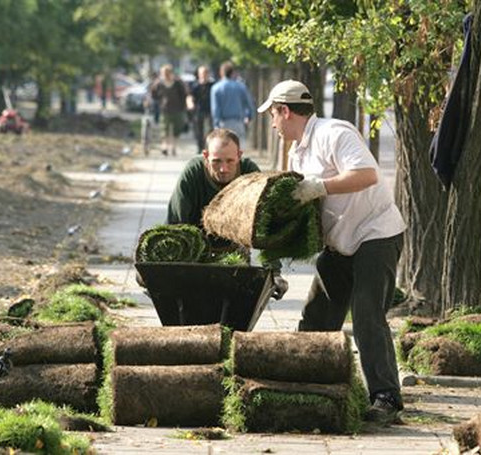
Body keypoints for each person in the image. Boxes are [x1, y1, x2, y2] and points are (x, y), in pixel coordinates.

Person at [257, 80, 406, 423]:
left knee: (367, 313)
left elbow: (367, 174)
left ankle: (387, 399)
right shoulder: (297, 152)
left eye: (273, 116)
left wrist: (319, 186)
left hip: (375, 233)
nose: (273, 124)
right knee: (317, 318)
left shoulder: (335, 133)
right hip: (340, 244)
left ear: (285, 110)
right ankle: (309, 383)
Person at [166, 128, 288, 300]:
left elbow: (265, 224)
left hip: (234, 251)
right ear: (205, 156)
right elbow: (177, 224)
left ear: (239, 155)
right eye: (216, 161)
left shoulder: (250, 173)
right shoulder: (192, 173)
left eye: (230, 161)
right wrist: (172, 270)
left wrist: (274, 272)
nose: (223, 169)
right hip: (196, 248)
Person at [210, 61, 255, 145]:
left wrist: (216, 124)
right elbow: (249, 103)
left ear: (221, 73)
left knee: (224, 147)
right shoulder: (241, 86)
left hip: (223, 123)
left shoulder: (216, 88)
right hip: (238, 122)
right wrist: (249, 116)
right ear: (232, 72)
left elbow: (215, 109)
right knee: (239, 146)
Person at [150, 64, 187, 156]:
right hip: (165, 110)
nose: (165, 75)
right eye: (163, 73)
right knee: (164, 130)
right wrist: (159, 102)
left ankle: (173, 147)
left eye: (167, 73)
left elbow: (184, 94)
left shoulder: (178, 83)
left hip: (177, 110)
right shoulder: (159, 83)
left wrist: (184, 106)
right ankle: (165, 147)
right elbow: (153, 94)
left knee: (176, 130)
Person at [187, 65, 215, 154]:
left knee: (210, 130)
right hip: (198, 111)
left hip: (210, 111)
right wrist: (190, 103)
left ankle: (209, 148)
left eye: (205, 73)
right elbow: (189, 96)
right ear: (199, 74)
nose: (204, 75)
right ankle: (200, 148)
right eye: (202, 73)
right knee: (198, 131)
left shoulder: (212, 85)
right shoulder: (195, 85)